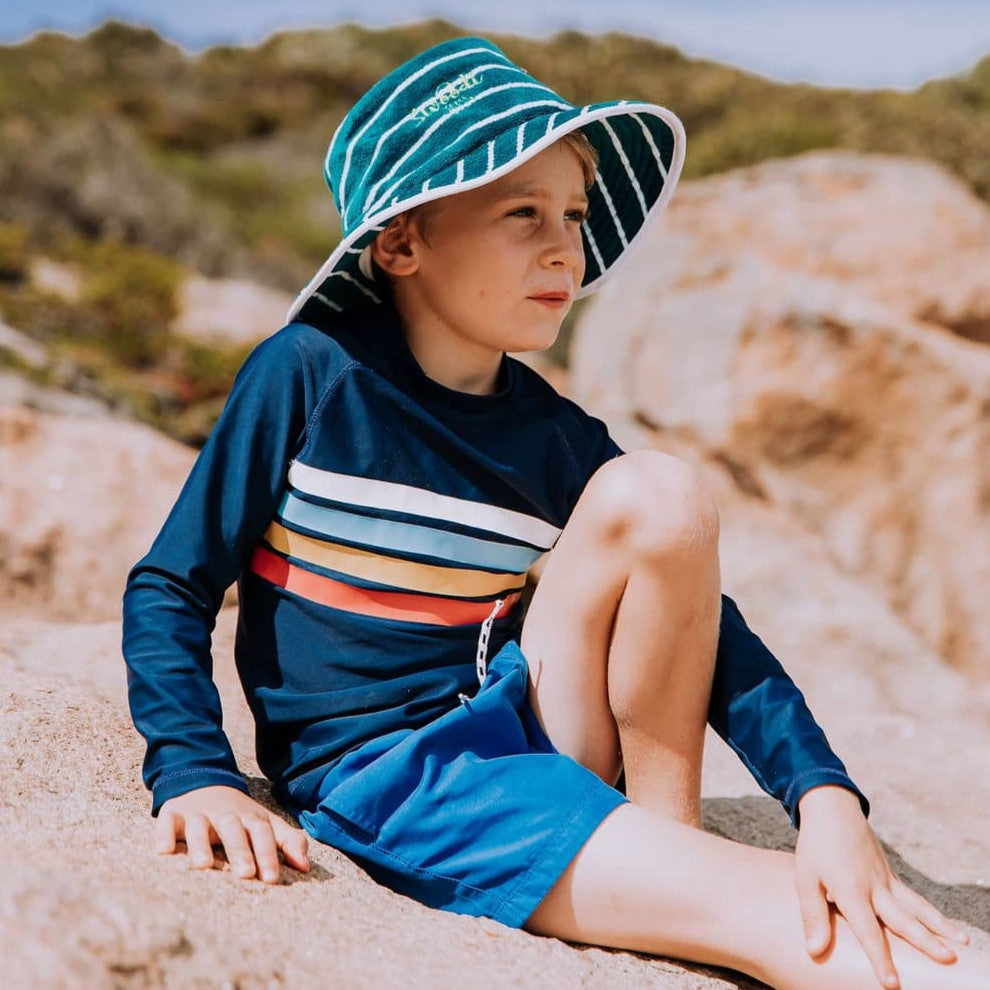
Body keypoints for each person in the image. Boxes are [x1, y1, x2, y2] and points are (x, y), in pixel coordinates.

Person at [122, 36, 989, 990]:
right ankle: (682, 893)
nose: (563, 247)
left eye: (574, 213)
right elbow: (173, 581)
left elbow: (718, 637)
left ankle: (664, 846)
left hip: (526, 728)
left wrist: (825, 799)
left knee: (658, 496)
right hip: (398, 781)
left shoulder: (556, 437)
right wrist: (193, 768)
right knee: (826, 927)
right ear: (403, 242)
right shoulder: (312, 374)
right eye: (520, 212)